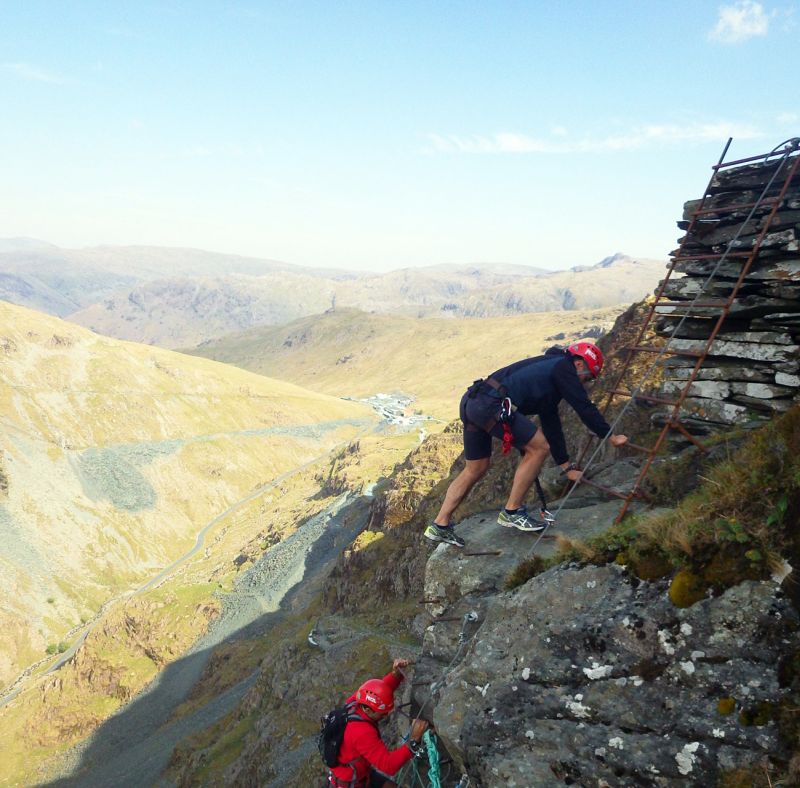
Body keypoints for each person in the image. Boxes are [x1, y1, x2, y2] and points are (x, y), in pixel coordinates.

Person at [424, 341, 628, 547]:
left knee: (475, 468)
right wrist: (610, 435)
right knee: (538, 447)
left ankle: (440, 524)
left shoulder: (550, 370)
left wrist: (566, 466)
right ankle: (512, 511)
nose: (585, 383)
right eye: (588, 377)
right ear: (578, 365)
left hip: (473, 400)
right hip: (491, 405)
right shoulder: (563, 368)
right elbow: (584, 406)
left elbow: (551, 422)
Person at [328, 658, 429, 788]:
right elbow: (389, 766)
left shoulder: (355, 702)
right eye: (383, 712)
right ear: (369, 710)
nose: (386, 714)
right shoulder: (362, 732)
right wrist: (414, 740)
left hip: (358, 775)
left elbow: (378, 691)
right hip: (352, 784)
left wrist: (395, 674)